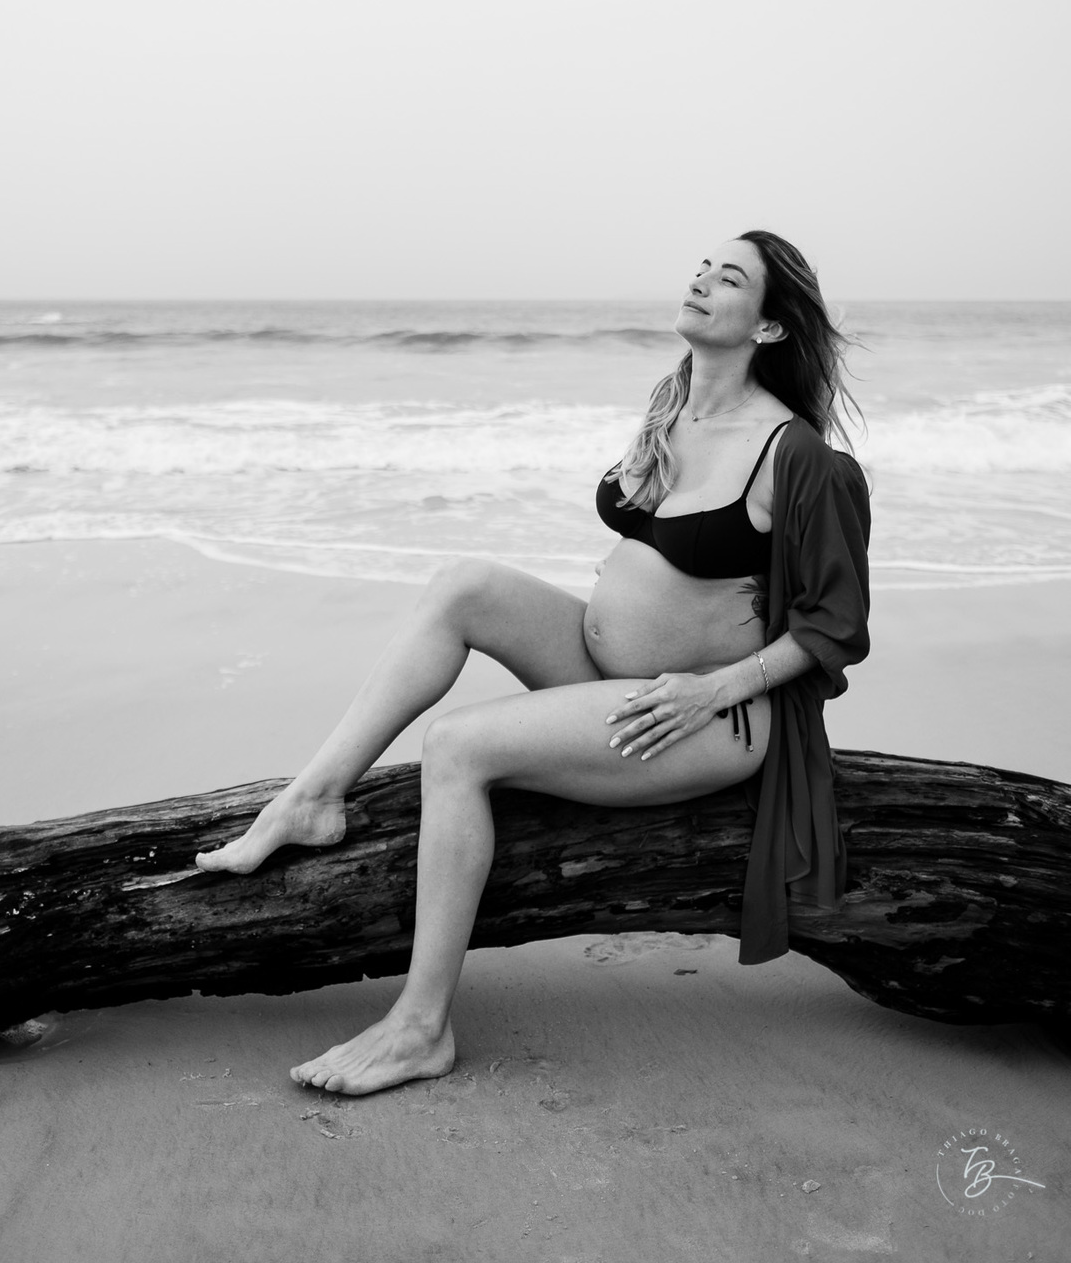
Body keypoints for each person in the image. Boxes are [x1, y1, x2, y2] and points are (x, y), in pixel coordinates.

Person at [195, 230, 871, 1095]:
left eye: (729, 278)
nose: (702, 281)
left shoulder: (797, 456)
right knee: (463, 584)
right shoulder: (673, 404)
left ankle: (420, 1029)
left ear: (769, 327)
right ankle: (312, 799)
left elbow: (835, 626)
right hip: (611, 677)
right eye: (702, 267)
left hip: (705, 718)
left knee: (457, 746)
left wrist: (713, 691)